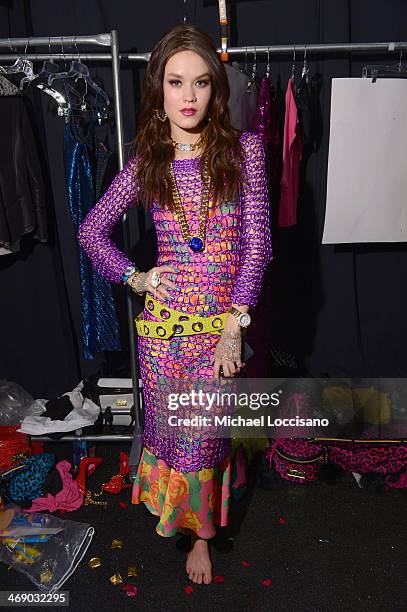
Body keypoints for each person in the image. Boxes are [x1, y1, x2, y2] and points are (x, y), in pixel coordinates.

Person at [77, 23, 272, 585]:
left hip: (220, 331)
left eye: (202, 83)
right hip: (164, 337)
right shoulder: (148, 162)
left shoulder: (245, 152)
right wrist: (136, 278)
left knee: (209, 439)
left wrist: (236, 325)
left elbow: (257, 247)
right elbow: (92, 232)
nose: (189, 96)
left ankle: (203, 535)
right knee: (177, 441)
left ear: (217, 90)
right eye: (176, 82)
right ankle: (189, 529)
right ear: (158, 91)